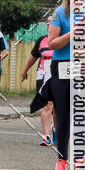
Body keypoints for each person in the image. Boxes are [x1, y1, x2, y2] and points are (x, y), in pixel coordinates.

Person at [47, 0, 85, 170]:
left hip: (84, 66)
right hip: (62, 66)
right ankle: (62, 158)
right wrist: (72, 33)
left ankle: (79, 159)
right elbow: (52, 43)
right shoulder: (60, 13)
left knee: (80, 115)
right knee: (62, 115)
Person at [22, 17, 54, 145]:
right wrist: (25, 71)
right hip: (42, 75)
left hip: (58, 75)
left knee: (56, 106)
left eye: (51, 22)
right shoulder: (41, 40)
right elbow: (33, 57)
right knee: (47, 105)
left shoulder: (63, 39)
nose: (49, 24)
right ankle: (46, 136)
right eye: (47, 23)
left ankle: (56, 130)